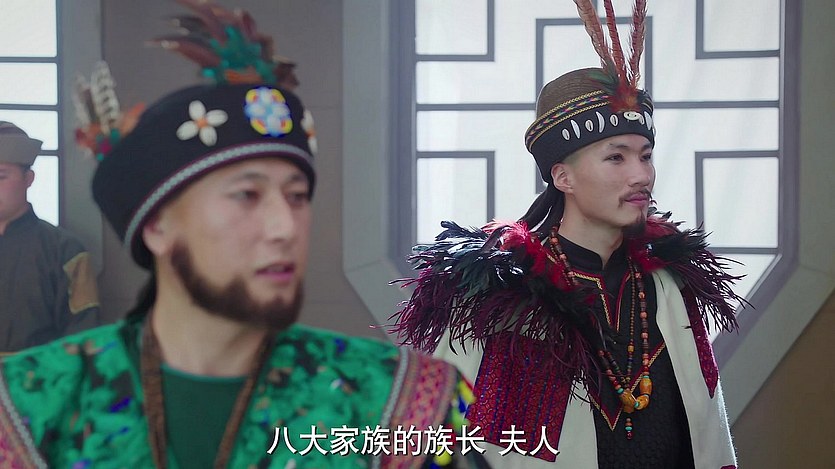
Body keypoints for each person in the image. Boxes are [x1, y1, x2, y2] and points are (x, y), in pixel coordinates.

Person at [0, 3, 482, 468]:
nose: (285, 227)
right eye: (247, 195)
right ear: (157, 227)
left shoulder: (400, 400)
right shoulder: (27, 404)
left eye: (297, 196)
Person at [391, 1, 741, 468]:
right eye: (616, 157)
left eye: (645, 155)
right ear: (563, 176)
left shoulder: (670, 288)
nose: (641, 175)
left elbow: (707, 433)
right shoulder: (500, 300)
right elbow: (436, 443)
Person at [0, 121, 100, 353]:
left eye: (1, 176)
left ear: (28, 179)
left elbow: (82, 334)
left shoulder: (65, 250)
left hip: (39, 373)